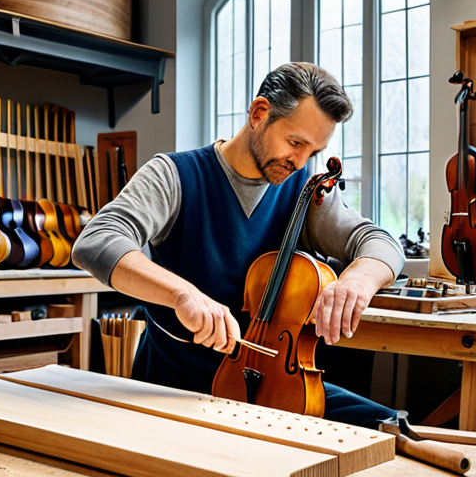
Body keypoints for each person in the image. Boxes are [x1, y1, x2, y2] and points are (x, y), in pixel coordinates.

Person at [72, 62, 405, 428]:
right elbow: (96, 240)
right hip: (175, 390)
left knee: (389, 427)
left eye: (313, 152)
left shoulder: (304, 192)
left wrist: (358, 280)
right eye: (295, 143)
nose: (300, 162)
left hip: (269, 387)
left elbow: (381, 243)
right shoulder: (174, 175)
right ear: (259, 113)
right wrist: (182, 294)